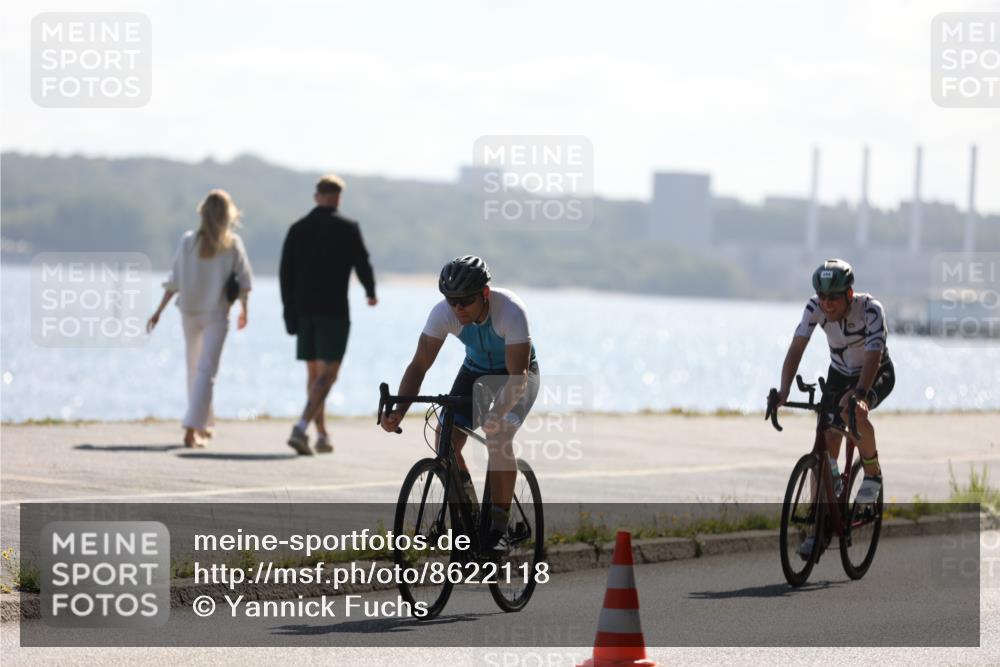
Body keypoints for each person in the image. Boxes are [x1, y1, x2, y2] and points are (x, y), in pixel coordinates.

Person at [380, 255, 540, 557]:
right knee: (446, 438)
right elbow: (419, 366)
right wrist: (399, 410)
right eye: (451, 300)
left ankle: (498, 529)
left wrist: (497, 413)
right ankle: (470, 520)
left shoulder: (511, 311)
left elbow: (517, 378)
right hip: (476, 371)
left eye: (465, 300)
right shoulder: (443, 314)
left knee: (499, 435)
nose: (457, 308)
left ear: (484, 294)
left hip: (518, 374)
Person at [775, 258, 895, 558]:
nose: (826, 304)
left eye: (833, 298)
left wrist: (861, 394)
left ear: (849, 295)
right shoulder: (814, 307)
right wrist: (784, 390)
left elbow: (874, 354)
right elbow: (796, 347)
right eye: (822, 297)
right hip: (839, 373)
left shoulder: (871, 310)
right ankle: (820, 527)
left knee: (852, 412)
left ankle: (872, 473)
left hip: (875, 371)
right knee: (827, 441)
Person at [147, 189, 253, 448]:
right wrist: (244, 310)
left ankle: (203, 425)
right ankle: (192, 427)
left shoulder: (187, 241)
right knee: (206, 372)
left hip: (189, 312)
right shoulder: (232, 244)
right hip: (216, 314)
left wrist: (159, 311)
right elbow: (245, 282)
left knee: (194, 369)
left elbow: (174, 281)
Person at [280, 174, 377, 456]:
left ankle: (321, 434)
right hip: (333, 312)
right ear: (338, 197)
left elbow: (285, 274)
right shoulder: (348, 228)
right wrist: (370, 290)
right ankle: (300, 428)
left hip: (304, 312)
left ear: (316, 196)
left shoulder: (298, 228)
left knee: (314, 376)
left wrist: (288, 312)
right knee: (328, 375)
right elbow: (363, 262)